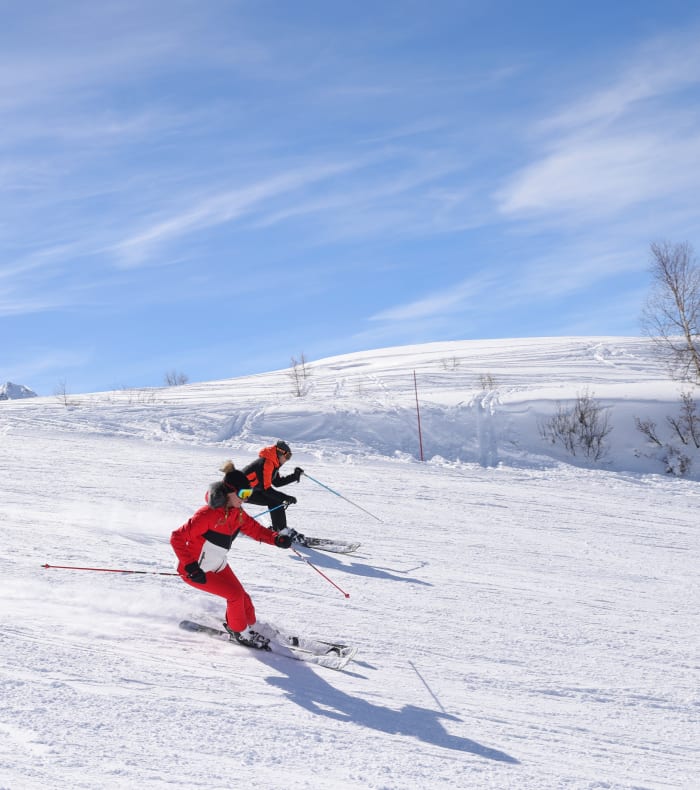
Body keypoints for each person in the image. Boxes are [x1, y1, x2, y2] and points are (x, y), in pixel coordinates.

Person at [170, 461, 292, 649]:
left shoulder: (237, 513)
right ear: (229, 492)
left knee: (244, 597)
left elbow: (256, 530)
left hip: (218, 565)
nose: (246, 499)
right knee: (234, 595)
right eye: (243, 494)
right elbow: (177, 537)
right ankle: (240, 633)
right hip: (197, 570)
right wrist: (191, 566)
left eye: (249, 494)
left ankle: (250, 626)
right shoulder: (207, 515)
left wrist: (276, 539)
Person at [242, 440, 305, 542]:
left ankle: (280, 529)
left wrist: (295, 476)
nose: (287, 460)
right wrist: (285, 497)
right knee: (275, 500)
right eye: (287, 456)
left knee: (275, 500)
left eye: (290, 457)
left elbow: (277, 482)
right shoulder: (266, 463)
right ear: (280, 453)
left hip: (251, 490)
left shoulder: (273, 463)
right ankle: (281, 531)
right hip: (240, 492)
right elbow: (266, 489)